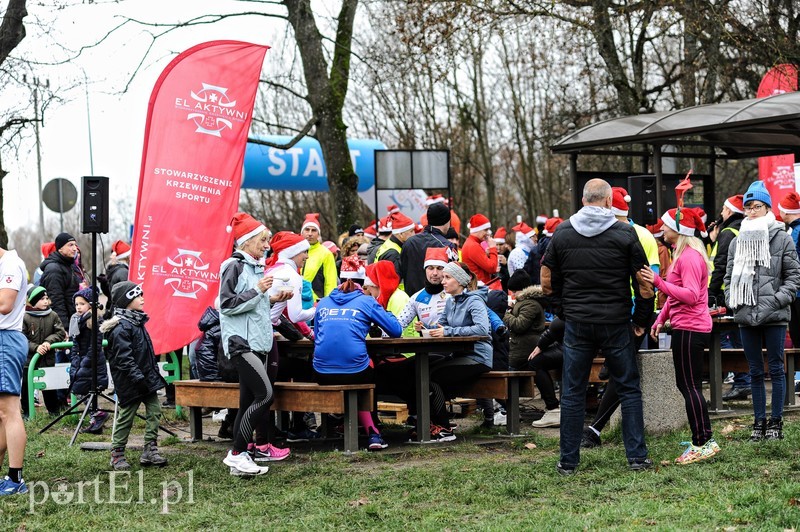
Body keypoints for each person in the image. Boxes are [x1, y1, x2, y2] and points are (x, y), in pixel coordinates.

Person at [542, 178, 654, 475]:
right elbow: (644, 282)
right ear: (608, 201)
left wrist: (564, 311)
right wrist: (641, 320)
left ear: (582, 200)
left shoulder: (562, 232)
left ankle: (568, 461)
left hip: (578, 322)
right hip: (616, 321)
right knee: (628, 389)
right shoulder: (625, 232)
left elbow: (547, 280)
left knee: (572, 392)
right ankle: (637, 458)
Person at [640, 207, 720, 464]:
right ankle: (703, 439)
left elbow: (692, 296)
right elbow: (677, 295)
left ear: (678, 229)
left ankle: (702, 442)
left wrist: (658, 282)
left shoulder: (689, 258)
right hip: (686, 327)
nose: (662, 229)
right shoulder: (682, 254)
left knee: (689, 386)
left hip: (690, 329)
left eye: (665, 225)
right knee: (688, 385)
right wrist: (661, 319)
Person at [724, 181, 800, 441]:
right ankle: (759, 423)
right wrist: (733, 299)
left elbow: (793, 278)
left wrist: (775, 301)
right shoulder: (738, 241)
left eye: (757, 206)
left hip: (775, 314)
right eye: (748, 207)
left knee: (776, 369)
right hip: (746, 314)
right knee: (755, 370)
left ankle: (776, 422)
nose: (752, 211)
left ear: (767, 208)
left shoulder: (782, 237)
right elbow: (728, 277)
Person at [218, 213, 291, 476]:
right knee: (265, 395)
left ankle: (240, 459)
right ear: (247, 241)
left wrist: (272, 299)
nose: (267, 245)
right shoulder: (234, 266)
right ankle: (237, 454)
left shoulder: (254, 267)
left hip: (257, 343)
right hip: (240, 343)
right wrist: (259, 290)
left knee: (248, 400)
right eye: (263, 240)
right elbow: (226, 305)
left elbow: (250, 305)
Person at [313, 279, 403, 450]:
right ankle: (373, 431)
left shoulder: (323, 303)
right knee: (369, 372)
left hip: (321, 372)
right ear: (360, 291)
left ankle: (341, 422)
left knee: (356, 373)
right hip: (356, 371)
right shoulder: (366, 301)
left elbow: (317, 336)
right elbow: (396, 330)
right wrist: (387, 312)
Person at [101, 281, 167, 471]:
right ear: (126, 301)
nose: (142, 299)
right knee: (126, 417)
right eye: (137, 296)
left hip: (146, 380)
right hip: (130, 382)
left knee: (155, 411)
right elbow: (124, 359)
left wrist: (150, 377)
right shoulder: (121, 328)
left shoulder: (137, 322)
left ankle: (150, 449)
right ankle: (117, 454)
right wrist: (138, 379)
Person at [426, 262, 493, 439]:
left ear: (460, 281)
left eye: (447, 277)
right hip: (459, 355)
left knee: (433, 377)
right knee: (424, 371)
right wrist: (427, 328)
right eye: (444, 277)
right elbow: (442, 325)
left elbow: (482, 329)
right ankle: (432, 424)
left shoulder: (475, 301)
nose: (443, 281)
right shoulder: (450, 301)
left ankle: (444, 428)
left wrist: (447, 331)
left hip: (478, 356)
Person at [709, 194, 749, 400]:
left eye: (724, 209)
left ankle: (742, 382)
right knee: (739, 338)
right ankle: (744, 381)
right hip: (741, 293)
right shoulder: (743, 229)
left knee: (727, 338)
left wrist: (711, 292)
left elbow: (720, 265)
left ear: (730, 211)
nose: (721, 213)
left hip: (726, 294)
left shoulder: (727, 233)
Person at [0, 245, 30, 495]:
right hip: (5, 340)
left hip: (5, 340)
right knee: (2, 414)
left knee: (9, 411)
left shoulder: (10, 264)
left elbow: (4, 304)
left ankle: (15, 479)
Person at [68, 286, 110, 434]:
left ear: (91, 305)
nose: (78, 307)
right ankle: (95, 420)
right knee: (79, 389)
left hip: (92, 363)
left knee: (84, 389)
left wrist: (85, 362)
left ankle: (98, 414)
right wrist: (75, 358)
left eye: (82, 304)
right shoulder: (76, 319)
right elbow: (75, 342)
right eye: (76, 304)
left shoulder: (95, 320)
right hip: (81, 361)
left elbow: (96, 345)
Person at [22, 286, 66, 418]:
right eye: (41, 299)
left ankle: (54, 412)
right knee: (27, 386)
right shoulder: (25, 317)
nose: (46, 301)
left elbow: (60, 332)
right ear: (33, 301)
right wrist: (35, 347)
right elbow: (22, 337)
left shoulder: (53, 315)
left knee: (49, 387)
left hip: (47, 359)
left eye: (47, 298)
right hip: (29, 360)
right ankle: (27, 413)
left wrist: (48, 342)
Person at [400, 202, 458, 296]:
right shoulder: (447, 246)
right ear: (447, 221)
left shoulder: (409, 242)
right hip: (438, 300)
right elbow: (454, 278)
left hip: (411, 299)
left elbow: (402, 273)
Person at [38, 233, 81, 335]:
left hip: (71, 322)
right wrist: (63, 329)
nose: (75, 249)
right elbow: (56, 301)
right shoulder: (54, 269)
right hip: (62, 327)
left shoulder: (67, 265)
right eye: (70, 245)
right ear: (60, 249)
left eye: (75, 245)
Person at [778, 192, 800, 347]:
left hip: (796, 290)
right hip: (795, 290)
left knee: (797, 333)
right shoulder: (793, 230)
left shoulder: (796, 232)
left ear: (786, 212)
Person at [301, 213, 338, 301]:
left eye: (314, 230)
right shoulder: (294, 251)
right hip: (295, 302)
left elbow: (331, 282)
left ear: (318, 234)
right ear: (302, 232)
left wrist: (328, 303)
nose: (310, 234)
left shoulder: (326, 253)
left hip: (316, 303)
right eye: (307, 230)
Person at [375, 211, 416, 282]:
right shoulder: (393, 254)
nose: (414, 234)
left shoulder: (390, 244)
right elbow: (392, 282)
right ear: (400, 234)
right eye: (411, 231)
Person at [461, 214, 499, 287]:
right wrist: (493, 248)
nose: (488, 233)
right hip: (479, 288)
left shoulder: (472, 243)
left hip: (478, 287)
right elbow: (492, 268)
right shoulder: (473, 245)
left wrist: (488, 254)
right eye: (485, 230)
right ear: (477, 230)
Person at [101, 240, 132, 319]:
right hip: (121, 313)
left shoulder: (116, 270)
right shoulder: (123, 272)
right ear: (128, 256)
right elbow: (125, 296)